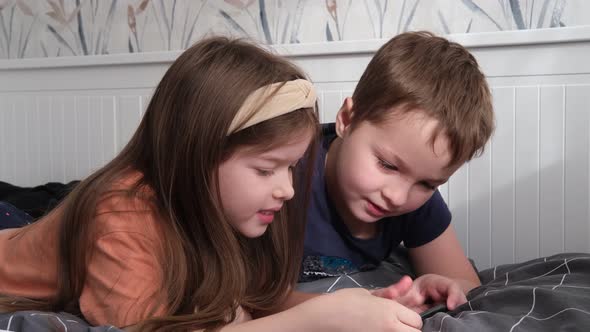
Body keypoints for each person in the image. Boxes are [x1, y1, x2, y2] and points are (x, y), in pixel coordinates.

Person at [0, 37, 422, 332]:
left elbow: (260, 304)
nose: (288, 191)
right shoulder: (120, 213)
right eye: (265, 169)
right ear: (195, 156)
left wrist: (349, 310)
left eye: (291, 169)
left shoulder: (229, 211)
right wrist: (318, 321)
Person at [301, 31, 495, 313]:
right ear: (347, 120)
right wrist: (348, 310)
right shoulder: (286, 176)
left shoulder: (416, 197)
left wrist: (439, 285)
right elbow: (252, 297)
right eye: (387, 165)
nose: (398, 197)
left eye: (428, 184)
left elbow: (465, 282)